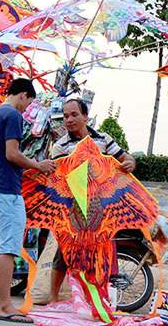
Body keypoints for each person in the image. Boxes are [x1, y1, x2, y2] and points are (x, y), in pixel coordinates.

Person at [0, 79, 55, 323]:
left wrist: (10, 167)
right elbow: (12, 153)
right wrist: (37, 165)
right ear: (23, 95)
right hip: (7, 191)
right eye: (28, 103)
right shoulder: (12, 115)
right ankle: (6, 306)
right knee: (8, 248)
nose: (27, 109)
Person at [46, 98, 134, 304]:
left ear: (86, 117)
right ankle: (53, 297)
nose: (69, 120)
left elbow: (126, 158)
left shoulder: (103, 139)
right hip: (73, 210)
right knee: (64, 252)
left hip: (102, 210)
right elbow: (56, 180)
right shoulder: (61, 146)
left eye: (74, 115)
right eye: (65, 116)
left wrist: (130, 163)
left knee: (99, 253)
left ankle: (96, 299)